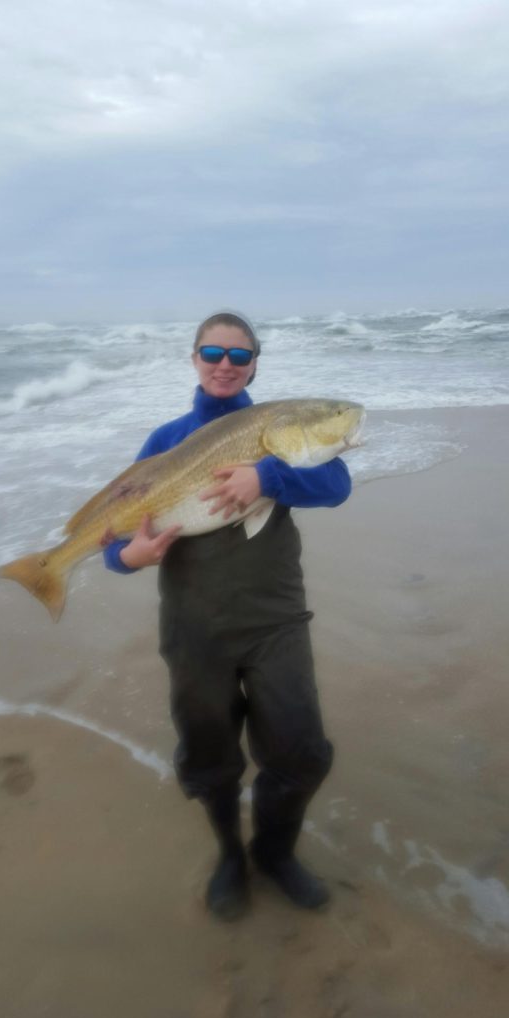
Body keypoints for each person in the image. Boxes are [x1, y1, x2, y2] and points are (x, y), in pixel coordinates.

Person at [103, 312, 352, 920]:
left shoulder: (280, 429)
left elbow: (337, 483)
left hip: (275, 623)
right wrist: (127, 557)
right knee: (210, 756)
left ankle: (274, 853)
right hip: (195, 630)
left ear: (254, 365)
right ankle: (228, 857)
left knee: (300, 751)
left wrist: (264, 475)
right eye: (213, 353)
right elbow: (113, 537)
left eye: (239, 357)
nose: (224, 364)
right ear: (194, 359)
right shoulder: (165, 441)